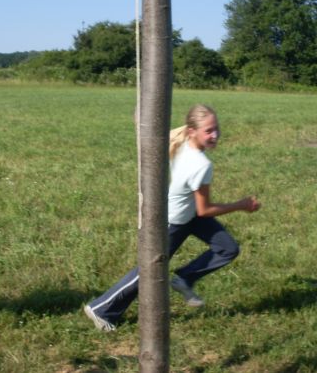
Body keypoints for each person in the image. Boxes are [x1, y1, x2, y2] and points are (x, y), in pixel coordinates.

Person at [84, 104, 261, 331]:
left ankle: (185, 278)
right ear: (192, 131)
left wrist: (140, 114)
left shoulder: (181, 140)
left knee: (227, 248)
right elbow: (205, 209)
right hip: (176, 221)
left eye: (216, 129)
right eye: (209, 131)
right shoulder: (201, 164)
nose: (215, 135)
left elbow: (153, 131)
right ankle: (102, 309)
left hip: (190, 214)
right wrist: (242, 205)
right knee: (149, 270)